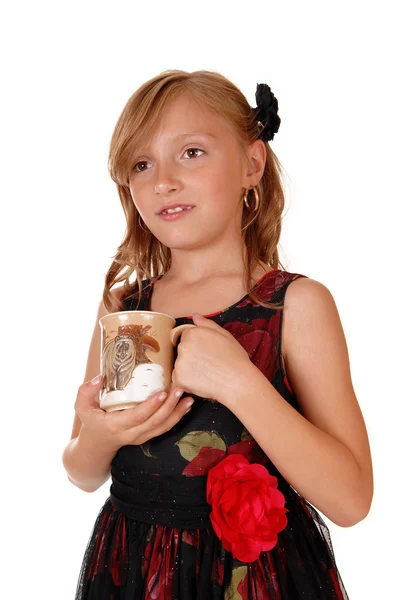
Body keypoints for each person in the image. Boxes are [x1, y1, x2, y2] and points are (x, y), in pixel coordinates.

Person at [63, 69, 373, 599]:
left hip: (253, 581)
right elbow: (82, 471)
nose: (163, 180)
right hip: (135, 571)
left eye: (191, 153)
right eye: (142, 164)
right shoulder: (125, 307)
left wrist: (241, 383)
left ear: (252, 164)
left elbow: (350, 500)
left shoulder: (294, 305)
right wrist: (100, 435)